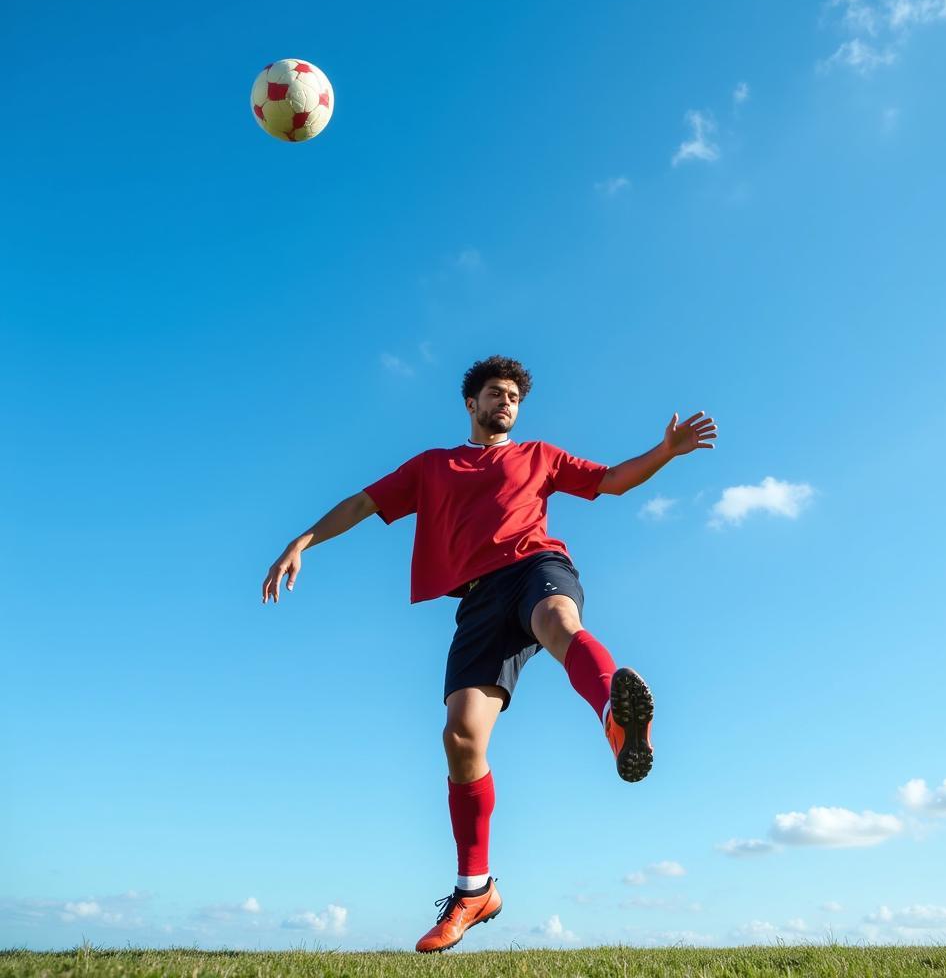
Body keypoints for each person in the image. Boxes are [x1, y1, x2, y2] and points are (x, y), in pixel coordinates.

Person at [261, 355, 717, 953]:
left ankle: (617, 717)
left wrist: (666, 452)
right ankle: (474, 891)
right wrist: (302, 541)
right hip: (478, 604)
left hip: (536, 568)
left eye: (514, 397)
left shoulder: (539, 457)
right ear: (471, 404)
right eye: (496, 394)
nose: (506, 403)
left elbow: (609, 480)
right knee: (460, 737)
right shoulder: (433, 466)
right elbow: (362, 504)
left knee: (558, 621)